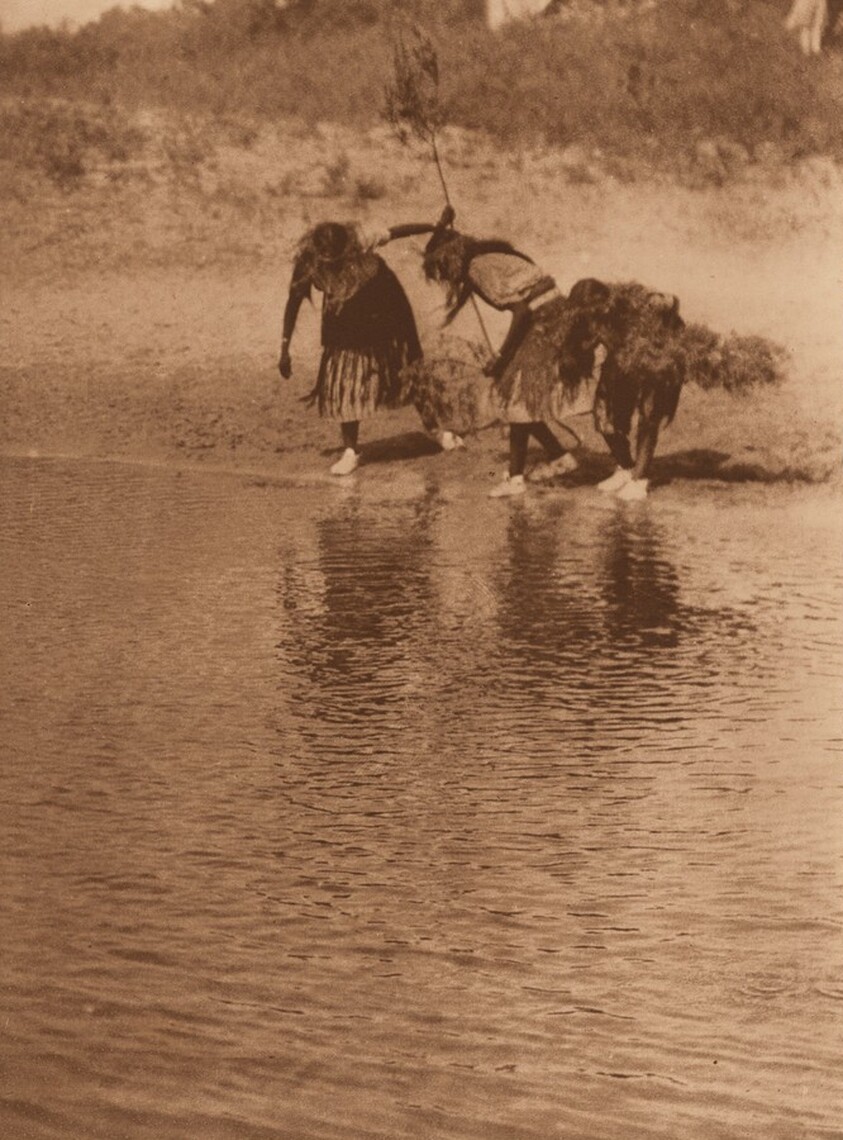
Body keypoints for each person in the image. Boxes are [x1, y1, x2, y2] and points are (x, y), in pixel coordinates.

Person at [414, 221, 590, 497]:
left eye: (442, 269)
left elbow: (521, 312)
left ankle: (516, 479)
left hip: (544, 320)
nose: (444, 277)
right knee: (518, 398)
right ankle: (558, 457)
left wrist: (501, 356)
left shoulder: (477, 268)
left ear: (450, 259)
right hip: (552, 313)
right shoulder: (488, 257)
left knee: (514, 399)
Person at [278, 217, 458, 476]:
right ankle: (350, 451)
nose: (333, 262)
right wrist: (285, 348)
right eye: (327, 259)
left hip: (384, 302)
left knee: (408, 368)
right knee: (344, 380)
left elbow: (399, 230)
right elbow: (293, 302)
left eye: (337, 256)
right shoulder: (308, 263)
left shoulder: (361, 242)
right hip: (343, 313)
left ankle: (438, 432)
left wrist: (436, 226)